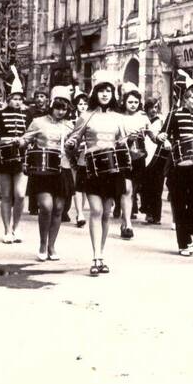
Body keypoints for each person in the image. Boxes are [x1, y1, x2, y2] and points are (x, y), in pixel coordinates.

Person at [67, 71, 127, 275]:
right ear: (95, 92)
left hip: (112, 170)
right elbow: (71, 142)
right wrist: (73, 148)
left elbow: (124, 144)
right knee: (96, 210)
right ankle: (96, 257)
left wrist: (126, 143)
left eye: (108, 90)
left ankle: (101, 254)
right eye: (101, 90)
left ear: (113, 93)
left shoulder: (119, 118)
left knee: (107, 214)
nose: (105, 94)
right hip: (91, 169)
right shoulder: (86, 116)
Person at [157, 73, 193, 257]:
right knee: (179, 203)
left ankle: (191, 229)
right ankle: (184, 242)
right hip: (178, 164)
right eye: (192, 97)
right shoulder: (174, 114)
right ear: (184, 97)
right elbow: (161, 135)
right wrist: (163, 140)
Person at [21, 85, 76, 261]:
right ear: (51, 106)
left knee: (59, 209)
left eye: (64, 108)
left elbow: (75, 150)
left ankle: (52, 246)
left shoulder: (70, 125)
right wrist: (20, 142)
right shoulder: (38, 122)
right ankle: (42, 243)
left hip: (63, 168)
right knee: (46, 206)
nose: (60, 111)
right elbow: (26, 139)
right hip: (42, 169)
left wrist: (73, 146)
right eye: (57, 107)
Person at [0, 82, 32, 244]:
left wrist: (25, 141)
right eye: (14, 99)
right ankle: (7, 230)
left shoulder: (28, 115)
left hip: (22, 158)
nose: (17, 102)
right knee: (6, 195)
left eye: (20, 99)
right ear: (8, 99)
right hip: (3, 158)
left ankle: (16, 227)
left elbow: (34, 135)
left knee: (21, 195)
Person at [115, 82, 149, 239]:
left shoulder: (143, 118)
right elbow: (115, 140)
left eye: (136, 102)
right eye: (130, 102)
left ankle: (124, 221)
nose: (133, 105)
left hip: (139, 157)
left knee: (133, 191)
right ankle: (128, 224)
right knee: (127, 190)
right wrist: (128, 139)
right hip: (123, 157)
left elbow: (152, 135)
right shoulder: (118, 118)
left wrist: (160, 137)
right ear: (124, 102)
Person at [139, 97, 166, 224]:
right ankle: (148, 211)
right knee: (145, 185)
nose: (153, 110)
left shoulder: (161, 120)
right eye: (151, 107)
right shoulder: (142, 119)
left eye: (156, 107)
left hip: (157, 155)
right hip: (144, 154)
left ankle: (156, 215)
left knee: (157, 186)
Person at [68, 89, 90, 227]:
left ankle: (79, 212)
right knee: (77, 185)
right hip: (73, 153)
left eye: (85, 104)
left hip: (86, 154)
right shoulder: (72, 119)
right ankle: (80, 213)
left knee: (84, 186)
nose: (83, 106)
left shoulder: (91, 117)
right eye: (80, 104)